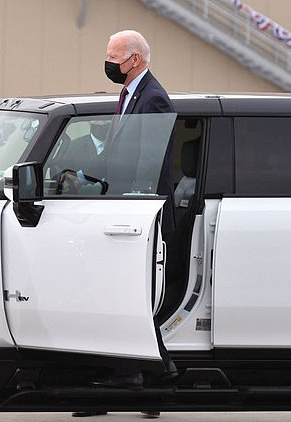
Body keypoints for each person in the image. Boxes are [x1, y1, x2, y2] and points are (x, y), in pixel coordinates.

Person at [96, 28, 179, 388]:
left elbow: (150, 162)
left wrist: (131, 208)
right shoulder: (130, 93)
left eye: (115, 58)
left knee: (134, 293)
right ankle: (148, 374)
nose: (109, 64)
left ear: (136, 59)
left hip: (142, 216)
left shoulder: (154, 99)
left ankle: (153, 372)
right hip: (125, 208)